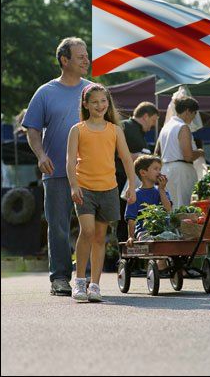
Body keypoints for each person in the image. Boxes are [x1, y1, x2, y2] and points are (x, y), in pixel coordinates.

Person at [22, 37, 91, 296]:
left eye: (87, 55)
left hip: (90, 171)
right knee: (59, 227)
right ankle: (60, 279)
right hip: (57, 173)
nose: (86, 60)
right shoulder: (45, 92)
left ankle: (88, 278)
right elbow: (32, 128)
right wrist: (40, 155)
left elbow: (109, 127)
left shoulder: (93, 91)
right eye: (81, 56)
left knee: (93, 226)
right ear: (65, 60)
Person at [66, 83, 136, 302]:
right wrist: (73, 185)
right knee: (86, 231)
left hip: (108, 189)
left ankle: (95, 285)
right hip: (84, 188)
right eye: (94, 102)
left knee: (99, 237)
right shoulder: (77, 129)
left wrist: (132, 186)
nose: (99, 105)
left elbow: (126, 159)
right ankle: (79, 281)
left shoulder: (115, 130)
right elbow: (69, 161)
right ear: (86, 104)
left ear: (108, 103)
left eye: (103, 101)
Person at [115, 102, 160, 242]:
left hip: (132, 182)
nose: (152, 126)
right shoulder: (125, 126)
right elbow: (116, 151)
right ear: (145, 116)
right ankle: (124, 257)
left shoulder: (137, 131)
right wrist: (138, 156)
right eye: (153, 120)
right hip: (122, 180)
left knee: (132, 219)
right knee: (125, 219)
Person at [156, 96, 204, 209]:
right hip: (181, 172)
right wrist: (200, 152)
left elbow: (157, 152)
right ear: (188, 111)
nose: (193, 118)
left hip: (166, 169)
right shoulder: (183, 127)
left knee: (170, 208)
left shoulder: (165, 127)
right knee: (182, 207)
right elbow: (188, 156)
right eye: (194, 114)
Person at [125, 155, 172, 243]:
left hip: (163, 231)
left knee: (174, 236)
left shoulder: (162, 191)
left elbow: (168, 209)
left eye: (160, 169)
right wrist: (130, 237)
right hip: (144, 232)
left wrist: (161, 189)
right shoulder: (135, 195)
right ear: (143, 173)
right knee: (148, 239)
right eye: (155, 169)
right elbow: (131, 219)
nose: (159, 172)